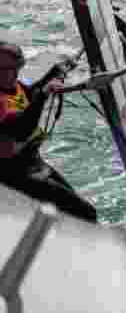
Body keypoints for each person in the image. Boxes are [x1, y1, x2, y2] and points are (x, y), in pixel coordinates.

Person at [0, 42, 97, 222]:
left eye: (15, 67)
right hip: (12, 174)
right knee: (86, 213)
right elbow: (21, 129)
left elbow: (29, 93)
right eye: (4, 69)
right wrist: (44, 93)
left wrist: (56, 72)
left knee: (77, 207)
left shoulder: (15, 85)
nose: (10, 74)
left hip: (33, 163)